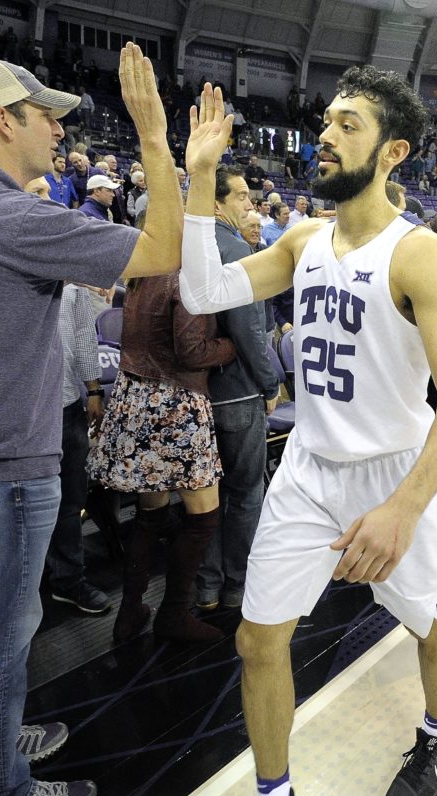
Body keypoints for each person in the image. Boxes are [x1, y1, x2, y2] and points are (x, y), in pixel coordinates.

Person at [0, 47, 215, 796]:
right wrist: (152, 137)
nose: (56, 132)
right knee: (0, 637)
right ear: (3, 120)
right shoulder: (0, 212)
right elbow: (161, 255)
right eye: (45, 116)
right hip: (1, 458)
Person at [179, 69, 437, 796]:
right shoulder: (304, 237)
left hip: (397, 472)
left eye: (348, 124)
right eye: (326, 121)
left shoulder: (420, 254)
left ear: (392, 152)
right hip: (310, 469)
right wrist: (199, 177)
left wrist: (404, 508)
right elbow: (201, 292)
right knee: (257, 639)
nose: (325, 133)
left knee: (434, 621)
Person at [88, 208, 238, 644]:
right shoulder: (181, 269)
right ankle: (175, 615)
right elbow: (192, 351)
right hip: (175, 401)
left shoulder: (142, 268)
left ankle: (129, 611)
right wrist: (231, 347)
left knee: (149, 514)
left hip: (137, 395)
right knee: (203, 512)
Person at [195, 165, 280, 613]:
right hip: (239, 393)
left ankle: (206, 587)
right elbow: (250, 331)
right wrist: (270, 383)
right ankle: (237, 585)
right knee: (245, 493)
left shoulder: (191, 248)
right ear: (216, 203)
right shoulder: (237, 253)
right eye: (242, 197)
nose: (251, 204)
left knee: (208, 498)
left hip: (194, 395)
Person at [46, 282, 111, 613]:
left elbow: (85, 332)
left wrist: (94, 388)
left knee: (71, 500)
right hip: (20, 411)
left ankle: (68, 580)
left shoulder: (72, 271)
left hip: (68, 401)